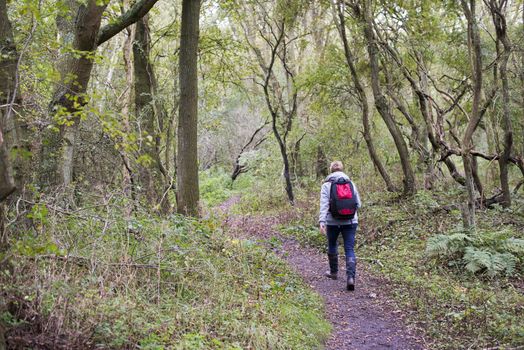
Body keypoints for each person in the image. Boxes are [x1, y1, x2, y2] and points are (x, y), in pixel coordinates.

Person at [319, 161, 361, 291]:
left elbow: (324, 204)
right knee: (349, 248)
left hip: (332, 222)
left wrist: (322, 221)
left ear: (331, 170)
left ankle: (334, 272)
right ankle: (350, 278)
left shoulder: (327, 185)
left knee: (332, 244)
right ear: (342, 169)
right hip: (350, 221)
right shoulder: (351, 183)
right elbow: (358, 204)